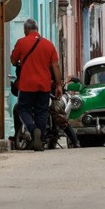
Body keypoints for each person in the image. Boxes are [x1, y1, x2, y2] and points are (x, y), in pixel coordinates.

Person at [10, 18, 63, 152]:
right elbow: (55, 66)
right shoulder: (49, 45)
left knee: (23, 109)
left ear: (26, 30)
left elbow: (13, 60)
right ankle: (41, 140)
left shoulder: (21, 42)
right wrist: (58, 85)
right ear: (37, 29)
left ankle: (34, 131)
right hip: (44, 84)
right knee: (42, 112)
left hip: (27, 84)